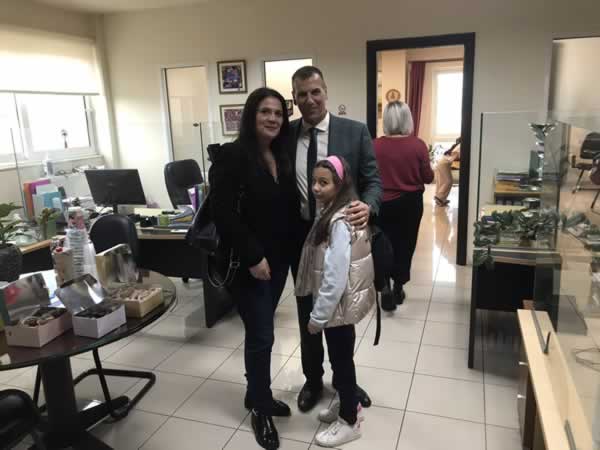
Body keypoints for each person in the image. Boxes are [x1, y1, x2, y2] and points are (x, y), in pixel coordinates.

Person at [210, 87, 299, 450]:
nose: (273, 118)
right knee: (262, 335)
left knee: (262, 331)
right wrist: (252, 257)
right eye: (265, 111)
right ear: (251, 115)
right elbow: (223, 213)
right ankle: (260, 407)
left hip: (277, 261)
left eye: (278, 113)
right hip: (249, 263)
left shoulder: (280, 153)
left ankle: (255, 393)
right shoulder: (232, 156)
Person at [289, 66, 382, 413]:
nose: (309, 99)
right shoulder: (286, 135)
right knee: (307, 314)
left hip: (340, 235)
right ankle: (313, 380)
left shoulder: (354, 131)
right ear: (294, 98)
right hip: (301, 238)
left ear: (326, 92)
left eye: (315, 91)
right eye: (301, 94)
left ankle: (346, 382)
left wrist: (368, 206)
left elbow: (374, 181)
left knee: (339, 317)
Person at [295, 156, 375, 447]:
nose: (316, 188)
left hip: (336, 308)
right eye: (314, 181)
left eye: (324, 183)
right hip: (339, 308)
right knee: (341, 359)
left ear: (339, 185)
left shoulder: (339, 222)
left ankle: (350, 421)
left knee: (341, 362)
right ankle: (347, 401)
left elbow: (335, 277)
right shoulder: (331, 211)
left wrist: (318, 315)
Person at [373, 101, 434, 311]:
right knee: (405, 245)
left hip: (381, 203)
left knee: (382, 246)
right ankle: (398, 287)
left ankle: (385, 287)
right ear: (408, 119)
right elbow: (428, 178)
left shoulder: (374, 145)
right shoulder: (418, 145)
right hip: (410, 204)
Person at [435, 137, 461, 206]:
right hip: (444, 163)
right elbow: (454, 156)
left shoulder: (456, 146)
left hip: (442, 163)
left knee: (441, 181)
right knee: (448, 181)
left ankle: (441, 199)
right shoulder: (460, 146)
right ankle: (439, 197)